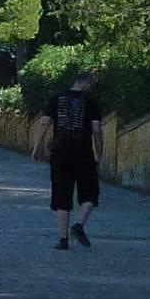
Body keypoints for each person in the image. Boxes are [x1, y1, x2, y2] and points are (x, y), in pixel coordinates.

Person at [31, 72, 102, 250]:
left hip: (60, 153)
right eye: (91, 85)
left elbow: (44, 122)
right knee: (91, 193)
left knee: (61, 194)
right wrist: (99, 151)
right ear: (87, 83)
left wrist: (36, 146)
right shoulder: (90, 101)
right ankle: (78, 225)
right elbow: (97, 129)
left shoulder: (57, 98)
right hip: (83, 152)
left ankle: (63, 240)